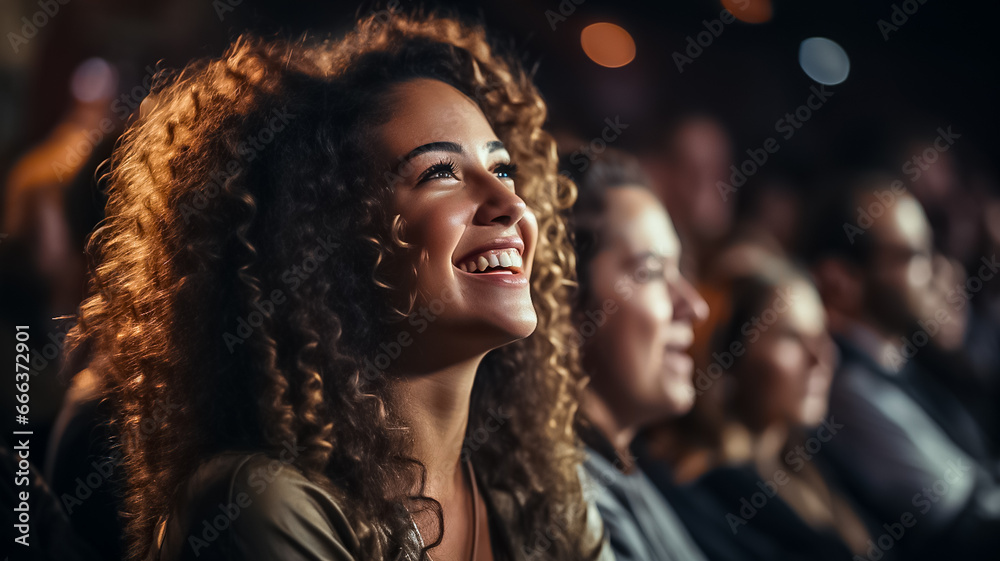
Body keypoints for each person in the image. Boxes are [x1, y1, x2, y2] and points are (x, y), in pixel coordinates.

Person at [63, 11, 611, 561]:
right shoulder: (262, 505)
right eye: (440, 172)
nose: (510, 204)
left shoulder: (537, 495)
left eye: (504, 170)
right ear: (321, 243)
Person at [806, 173, 1000, 559]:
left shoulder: (904, 358)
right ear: (841, 280)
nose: (936, 271)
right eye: (914, 255)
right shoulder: (844, 386)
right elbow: (965, 522)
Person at [643, 255, 879, 561]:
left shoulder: (810, 460)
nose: (820, 359)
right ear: (730, 357)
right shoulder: (709, 487)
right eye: (793, 338)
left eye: (822, 335)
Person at [563, 147, 711, 561]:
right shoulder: (565, 503)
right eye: (651, 272)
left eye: (680, 271)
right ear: (563, 298)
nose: (695, 306)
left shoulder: (623, 470)